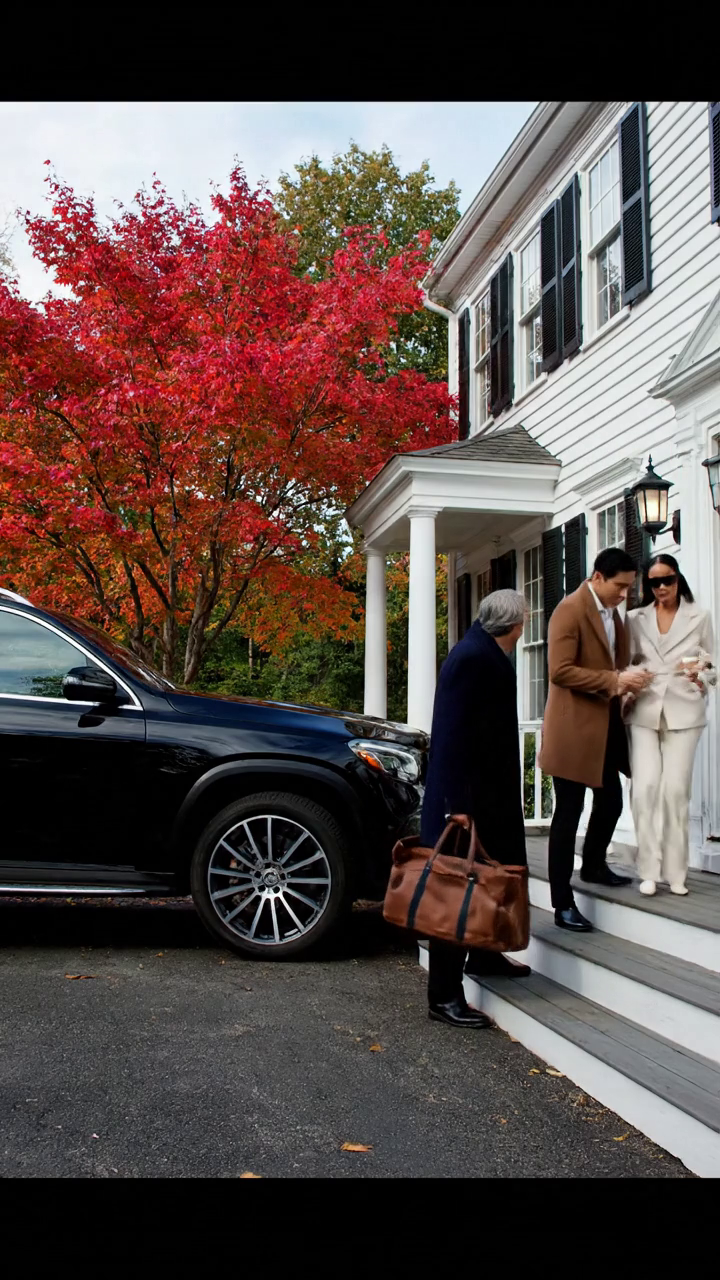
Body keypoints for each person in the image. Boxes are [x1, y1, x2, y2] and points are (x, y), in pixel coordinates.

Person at [421, 589, 530, 1030]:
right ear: (516, 625)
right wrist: (457, 805)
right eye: (525, 618)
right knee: (456, 893)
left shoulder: (484, 651)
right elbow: (449, 734)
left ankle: (484, 954)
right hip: (466, 800)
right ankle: (443, 996)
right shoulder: (471, 658)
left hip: (489, 797)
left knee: (490, 878)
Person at [539, 548, 653, 933]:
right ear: (598, 577)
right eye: (620, 586)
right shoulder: (568, 611)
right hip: (572, 733)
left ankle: (592, 865)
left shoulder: (614, 615)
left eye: (628, 588)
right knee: (568, 816)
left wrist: (635, 679)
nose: (624, 595)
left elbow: (616, 666)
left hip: (605, 730)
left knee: (611, 801)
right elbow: (560, 671)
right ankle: (562, 903)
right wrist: (614, 682)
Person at [625, 554, 716, 897]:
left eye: (668, 580)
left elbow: (713, 666)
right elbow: (623, 664)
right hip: (644, 710)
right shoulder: (635, 619)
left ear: (679, 579)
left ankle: (676, 872)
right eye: (654, 582)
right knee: (645, 789)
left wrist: (702, 676)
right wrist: (629, 683)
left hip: (684, 710)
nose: (662, 587)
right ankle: (648, 869)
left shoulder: (699, 616)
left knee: (675, 792)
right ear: (646, 586)